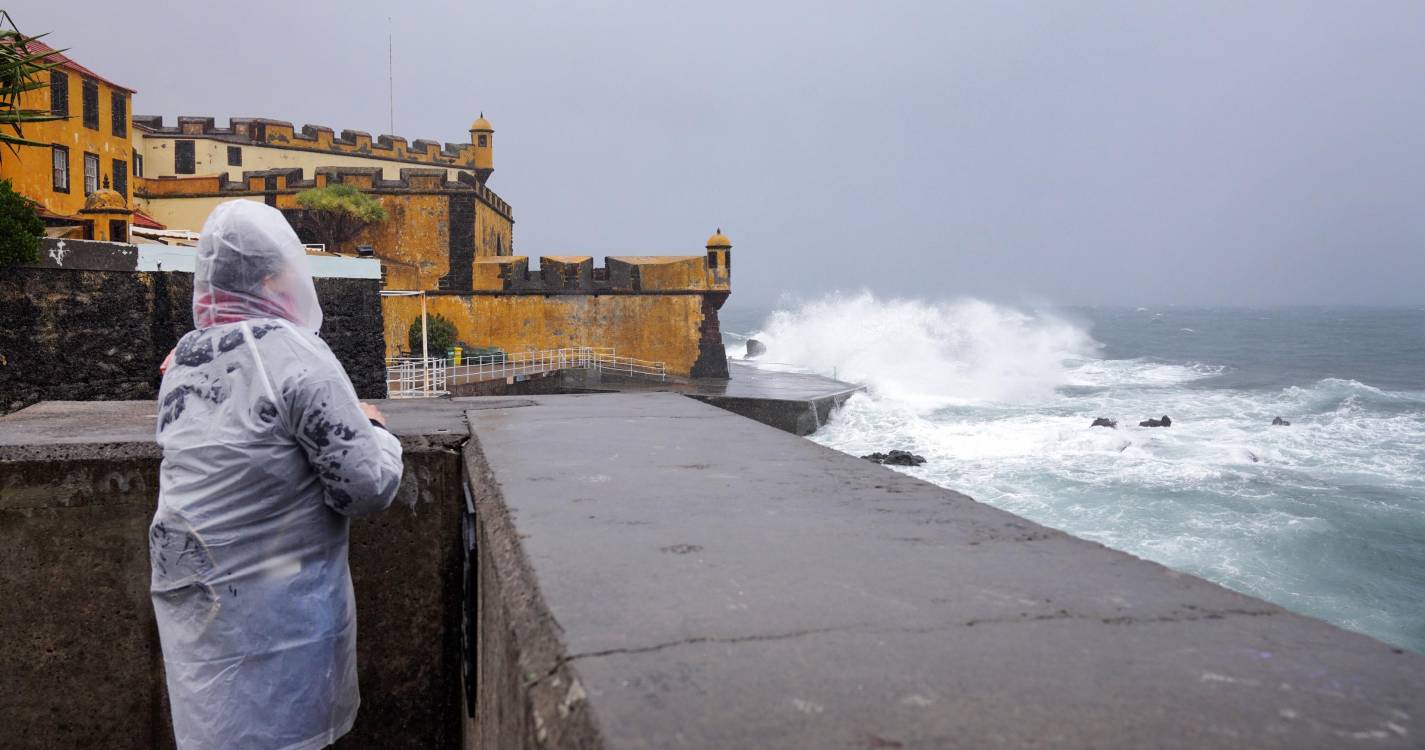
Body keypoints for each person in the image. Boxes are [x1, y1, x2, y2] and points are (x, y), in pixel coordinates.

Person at [149, 200, 403, 750]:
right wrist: (377, 430)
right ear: (270, 278)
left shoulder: (184, 359)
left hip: (194, 594)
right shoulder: (295, 355)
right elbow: (365, 487)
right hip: (275, 609)